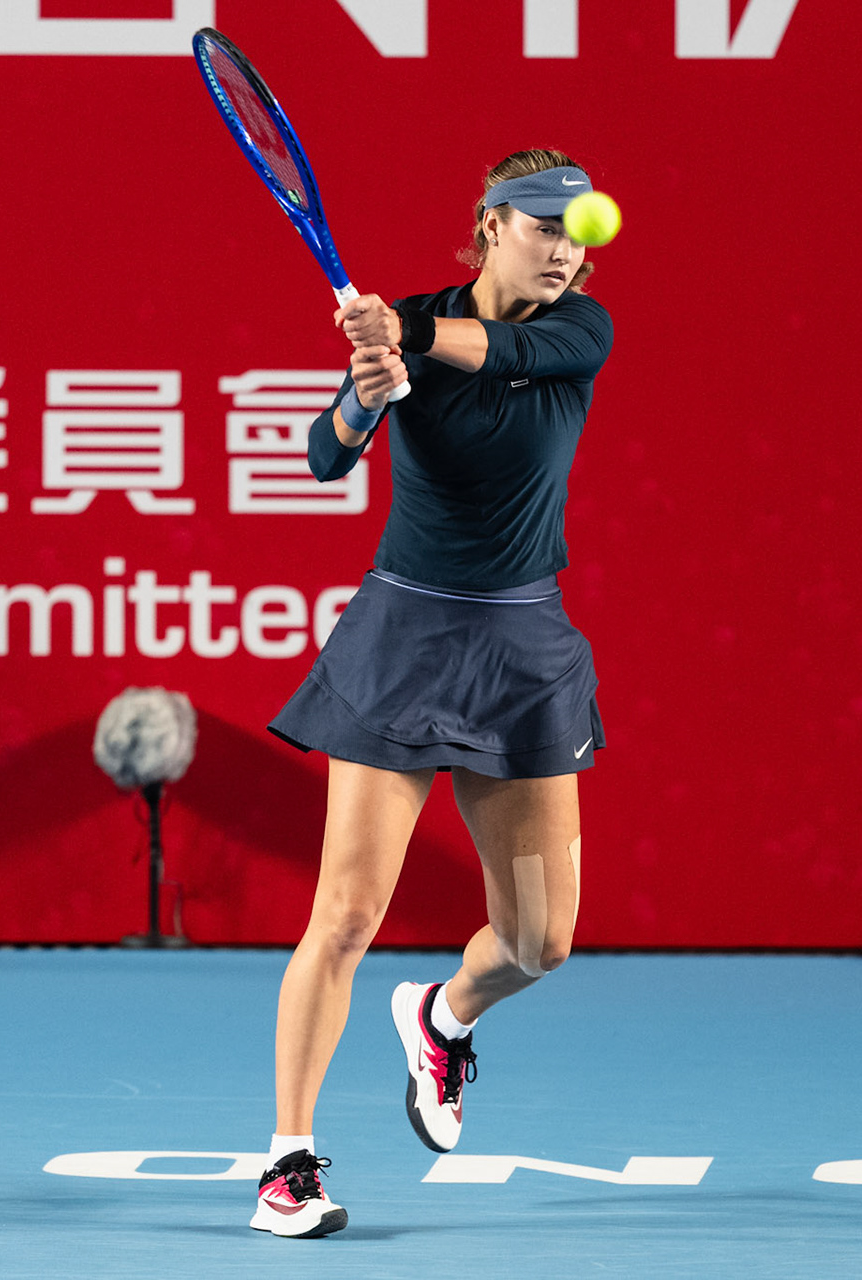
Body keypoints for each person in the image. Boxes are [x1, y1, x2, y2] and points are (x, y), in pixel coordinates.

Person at [247, 148, 615, 1239]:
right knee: (347, 910)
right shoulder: (402, 323)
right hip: (404, 635)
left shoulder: (577, 332)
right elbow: (322, 456)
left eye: (577, 233)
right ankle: (288, 1161)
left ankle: (444, 1014)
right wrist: (364, 402)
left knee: (541, 942)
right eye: (543, 224)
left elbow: (491, 346)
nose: (562, 247)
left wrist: (402, 340)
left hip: (523, 651)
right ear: (491, 222)